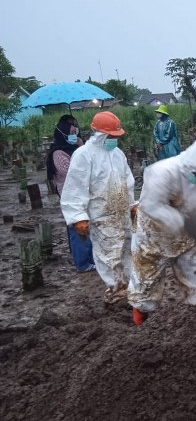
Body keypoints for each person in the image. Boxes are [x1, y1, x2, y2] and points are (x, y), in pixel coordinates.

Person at [127, 137, 196, 325]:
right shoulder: (162, 172)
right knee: (146, 283)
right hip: (153, 235)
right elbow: (151, 206)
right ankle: (141, 320)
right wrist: (181, 222)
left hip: (188, 238)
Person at [60, 111, 136, 304]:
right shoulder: (84, 155)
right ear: (100, 134)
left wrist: (132, 205)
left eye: (116, 136)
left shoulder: (117, 154)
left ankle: (129, 289)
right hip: (101, 214)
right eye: (111, 136)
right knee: (109, 256)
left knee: (127, 251)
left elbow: (128, 182)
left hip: (122, 213)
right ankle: (115, 293)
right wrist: (78, 217)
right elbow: (75, 188)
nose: (114, 139)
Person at [46, 114, 94, 273]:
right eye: (71, 133)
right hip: (71, 196)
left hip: (84, 194)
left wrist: (82, 148)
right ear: (63, 134)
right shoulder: (58, 153)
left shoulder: (79, 148)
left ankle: (87, 259)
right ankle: (82, 263)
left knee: (87, 228)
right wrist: (81, 149)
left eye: (76, 132)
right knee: (78, 228)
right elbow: (73, 172)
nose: (74, 135)